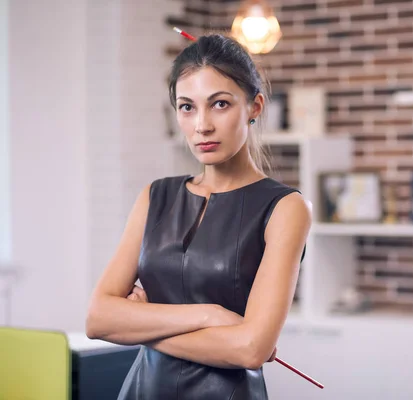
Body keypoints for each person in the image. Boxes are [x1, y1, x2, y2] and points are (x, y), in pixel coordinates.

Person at [85, 33, 312, 400]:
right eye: (187, 107)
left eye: (219, 104)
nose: (201, 125)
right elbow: (98, 320)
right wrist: (209, 315)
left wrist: (140, 323)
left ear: (254, 107)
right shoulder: (155, 196)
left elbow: (250, 349)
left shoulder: (286, 208)